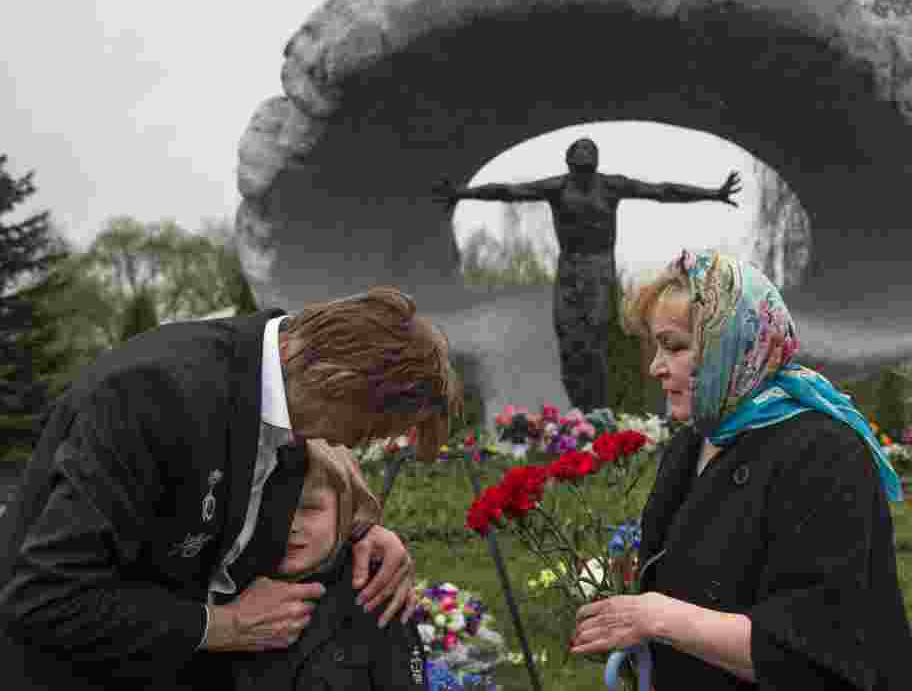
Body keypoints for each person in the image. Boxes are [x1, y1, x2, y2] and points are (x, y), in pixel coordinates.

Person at [0, 287, 462, 690]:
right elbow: (45, 594)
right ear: (344, 383)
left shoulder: (279, 409)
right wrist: (220, 626)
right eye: (375, 426)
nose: (365, 442)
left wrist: (361, 535)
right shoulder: (150, 394)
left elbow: (248, 516)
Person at [569, 250, 912, 690]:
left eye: (675, 347)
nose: (656, 368)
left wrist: (658, 618)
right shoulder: (692, 444)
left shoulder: (824, 454)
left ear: (734, 345)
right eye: (657, 347)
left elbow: (817, 649)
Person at [433, 138, 741, 414]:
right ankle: (581, 409)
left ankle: (599, 410)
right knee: (569, 341)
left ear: (594, 164)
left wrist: (714, 193)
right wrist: (463, 193)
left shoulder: (610, 186)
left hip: (599, 269)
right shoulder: (557, 187)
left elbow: (662, 191)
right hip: (569, 270)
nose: (582, 167)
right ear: (569, 163)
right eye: (577, 161)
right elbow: (508, 192)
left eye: (587, 161)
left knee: (595, 340)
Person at [228, 438, 427, 690]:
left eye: (309, 508)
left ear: (345, 511)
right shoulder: (227, 585)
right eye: (273, 507)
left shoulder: (376, 590)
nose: (290, 526)